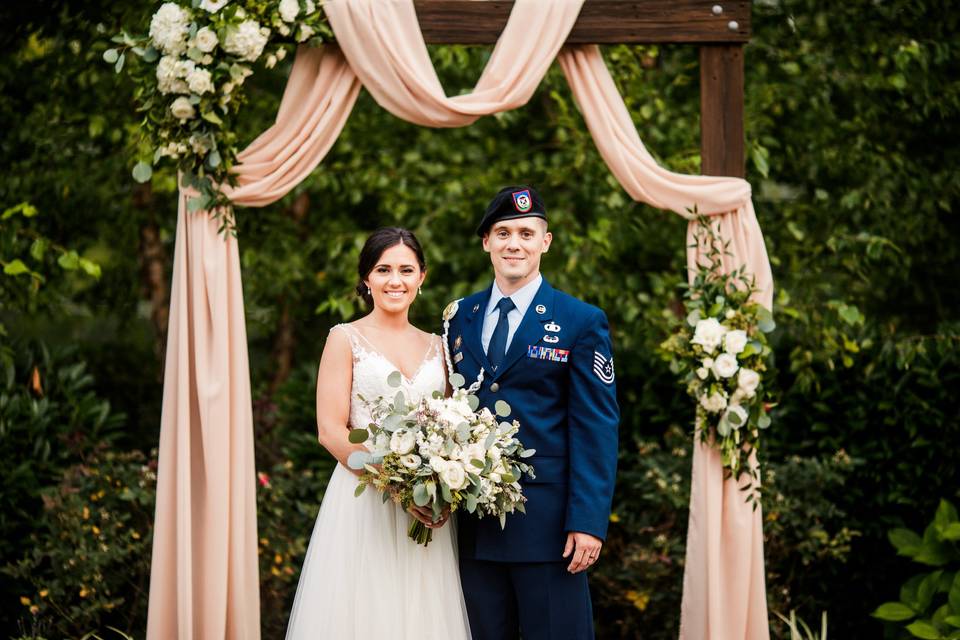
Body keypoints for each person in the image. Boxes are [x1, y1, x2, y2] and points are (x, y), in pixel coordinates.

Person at [443, 186, 620, 640]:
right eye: (502, 232)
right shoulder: (459, 316)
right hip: (474, 530)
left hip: (548, 529)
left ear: (546, 241)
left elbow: (595, 426)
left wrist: (587, 522)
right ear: (486, 242)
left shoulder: (580, 321)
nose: (513, 243)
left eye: (526, 232)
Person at [286, 227, 471, 639]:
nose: (395, 280)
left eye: (406, 269)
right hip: (362, 502)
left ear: (421, 277)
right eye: (383, 269)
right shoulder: (344, 338)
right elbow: (331, 432)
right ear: (366, 279)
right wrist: (398, 487)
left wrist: (437, 487)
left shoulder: (439, 346)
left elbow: (447, 427)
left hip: (425, 509)